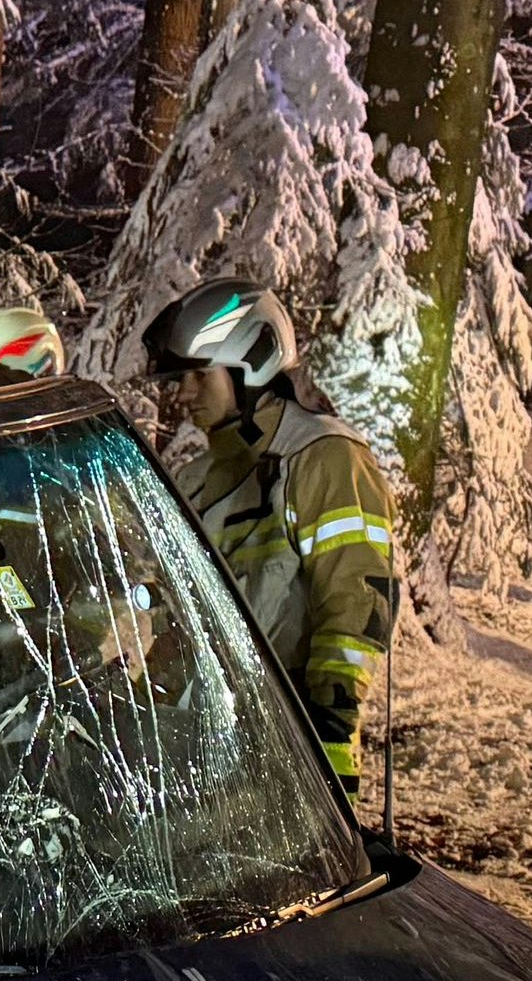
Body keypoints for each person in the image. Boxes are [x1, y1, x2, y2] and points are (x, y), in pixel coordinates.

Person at [142, 280, 399, 791]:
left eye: (197, 377)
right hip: (201, 749)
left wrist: (330, 742)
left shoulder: (323, 458)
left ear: (251, 363)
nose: (183, 396)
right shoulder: (199, 478)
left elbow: (353, 605)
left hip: (287, 758)